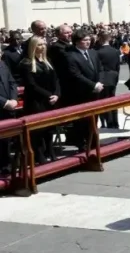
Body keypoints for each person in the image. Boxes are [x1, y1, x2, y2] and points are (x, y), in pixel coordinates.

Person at [18, 37, 60, 165]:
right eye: (40, 45)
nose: (43, 47)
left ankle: (51, 151)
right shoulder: (26, 63)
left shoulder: (48, 61)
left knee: (50, 129)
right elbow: (32, 85)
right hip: (36, 101)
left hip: (51, 100)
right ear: (33, 47)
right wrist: (49, 95)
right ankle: (39, 155)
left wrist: (57, 94)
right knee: (38, 130)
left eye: (44, 44)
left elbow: (56, 80)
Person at [65, 29, 103, 149]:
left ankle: (93, 142)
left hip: (95, 93)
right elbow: (76, 75)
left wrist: (99, 82)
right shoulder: (71, 56)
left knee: (94, 120)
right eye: (84, 40)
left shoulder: (93, 53)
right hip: (80, 93)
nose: (88, 42)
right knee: (82, 121)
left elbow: (99, 69)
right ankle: (82, 144)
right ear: (76, 42)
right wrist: (93, 85)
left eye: (89, 40)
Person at [94, 30, 121, 129]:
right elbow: (118, 66)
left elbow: (97, 67)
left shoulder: (97, 52)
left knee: (103, 102)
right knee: (112, 100)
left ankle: (106, 122)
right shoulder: (116, 51)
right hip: (113, 77)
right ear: (109, 39)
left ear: (100, 39)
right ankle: (115, 122)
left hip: (102, 78)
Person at [0, 50, 18, 174]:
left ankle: (6, 165)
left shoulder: (3, 64)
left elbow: (12, 82)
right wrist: (4, 102)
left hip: (8, 108)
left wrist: (14, 99)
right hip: (2, 105)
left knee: (6, 139)